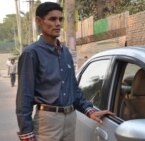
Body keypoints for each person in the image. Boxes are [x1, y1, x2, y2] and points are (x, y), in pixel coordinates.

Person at [16, 2, 113, 141]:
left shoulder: (65, 52)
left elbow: (73, 88)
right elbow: (24, 97)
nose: (58, 23)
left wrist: (89, 110)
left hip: (70, 118)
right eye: (52, 19)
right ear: (39, 21)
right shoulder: (31, 53)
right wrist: (27, 133)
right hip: (48, 121)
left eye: (60, 19)